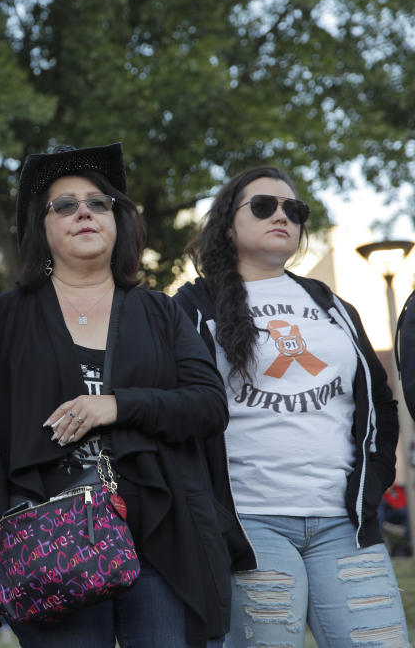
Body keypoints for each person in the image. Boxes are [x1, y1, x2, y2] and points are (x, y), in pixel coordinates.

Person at [0, 143, 245, 647]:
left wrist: (117, 404)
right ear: (43, 227)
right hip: (51, 538)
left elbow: (209, 405)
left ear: (118, 221)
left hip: (159, 539)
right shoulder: (5, 317)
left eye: (99, 203)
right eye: (65, 205)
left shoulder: (160, 312)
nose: (84, 212)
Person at [175, 165, 411, 647]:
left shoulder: (335, 307)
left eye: (294, 210)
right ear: (227, 224)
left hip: (344, 523)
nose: (281, 216)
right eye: (263, 206)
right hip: (249, 523)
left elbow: (379, 405)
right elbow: (181, 406)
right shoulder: (193, 306)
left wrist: (372, 485)